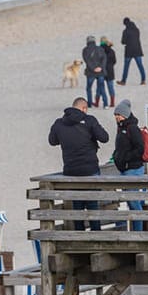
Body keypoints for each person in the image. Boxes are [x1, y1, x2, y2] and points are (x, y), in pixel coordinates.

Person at [50, 96, 110, 230]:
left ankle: (79, 236)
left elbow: (52, 141)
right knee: (93, 206)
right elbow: (104, 138)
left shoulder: (59, 123)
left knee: (77, 206)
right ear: (84, 108)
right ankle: (96, 237)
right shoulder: (89, 120)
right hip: (90, 169)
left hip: (71, 171)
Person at [113, 99, 147, 229]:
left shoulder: (132, 128)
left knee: (133, 202)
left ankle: (138, 231)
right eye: (115, 115)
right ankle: (135, 230)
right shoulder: (121, 127)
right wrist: (116, 156)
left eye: (118, 114)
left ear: (125, 115)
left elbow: (140, 148)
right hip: (125, 169)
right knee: (130, 201)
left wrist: (126, 158)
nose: (116, 117)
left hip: (133, 169)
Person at [81, 35, 108, 107]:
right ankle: (105, 104)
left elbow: (87, 60)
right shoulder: (100, 49)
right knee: (102, 88)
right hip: (101, 72)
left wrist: (93, 68)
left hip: (90, 72)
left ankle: (89, 104)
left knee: (89, 88)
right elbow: (104, 59)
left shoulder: (85, 50)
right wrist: (101, 67)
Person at [121, 17, 146, 83]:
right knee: (140, 65)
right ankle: (143, 80)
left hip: (129, 51)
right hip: (137, 50)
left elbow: (123, 42)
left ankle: (123, 81)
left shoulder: (125, 31)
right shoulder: (137, 30)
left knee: (126, 67)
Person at [99, 36, 118, 107]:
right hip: (110, 71)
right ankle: (112, 102)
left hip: (101, 71)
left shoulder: (99, 50)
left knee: (100, 87)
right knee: (111, 87)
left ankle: (97, 102)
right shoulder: (112, 51)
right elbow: (114, 61)